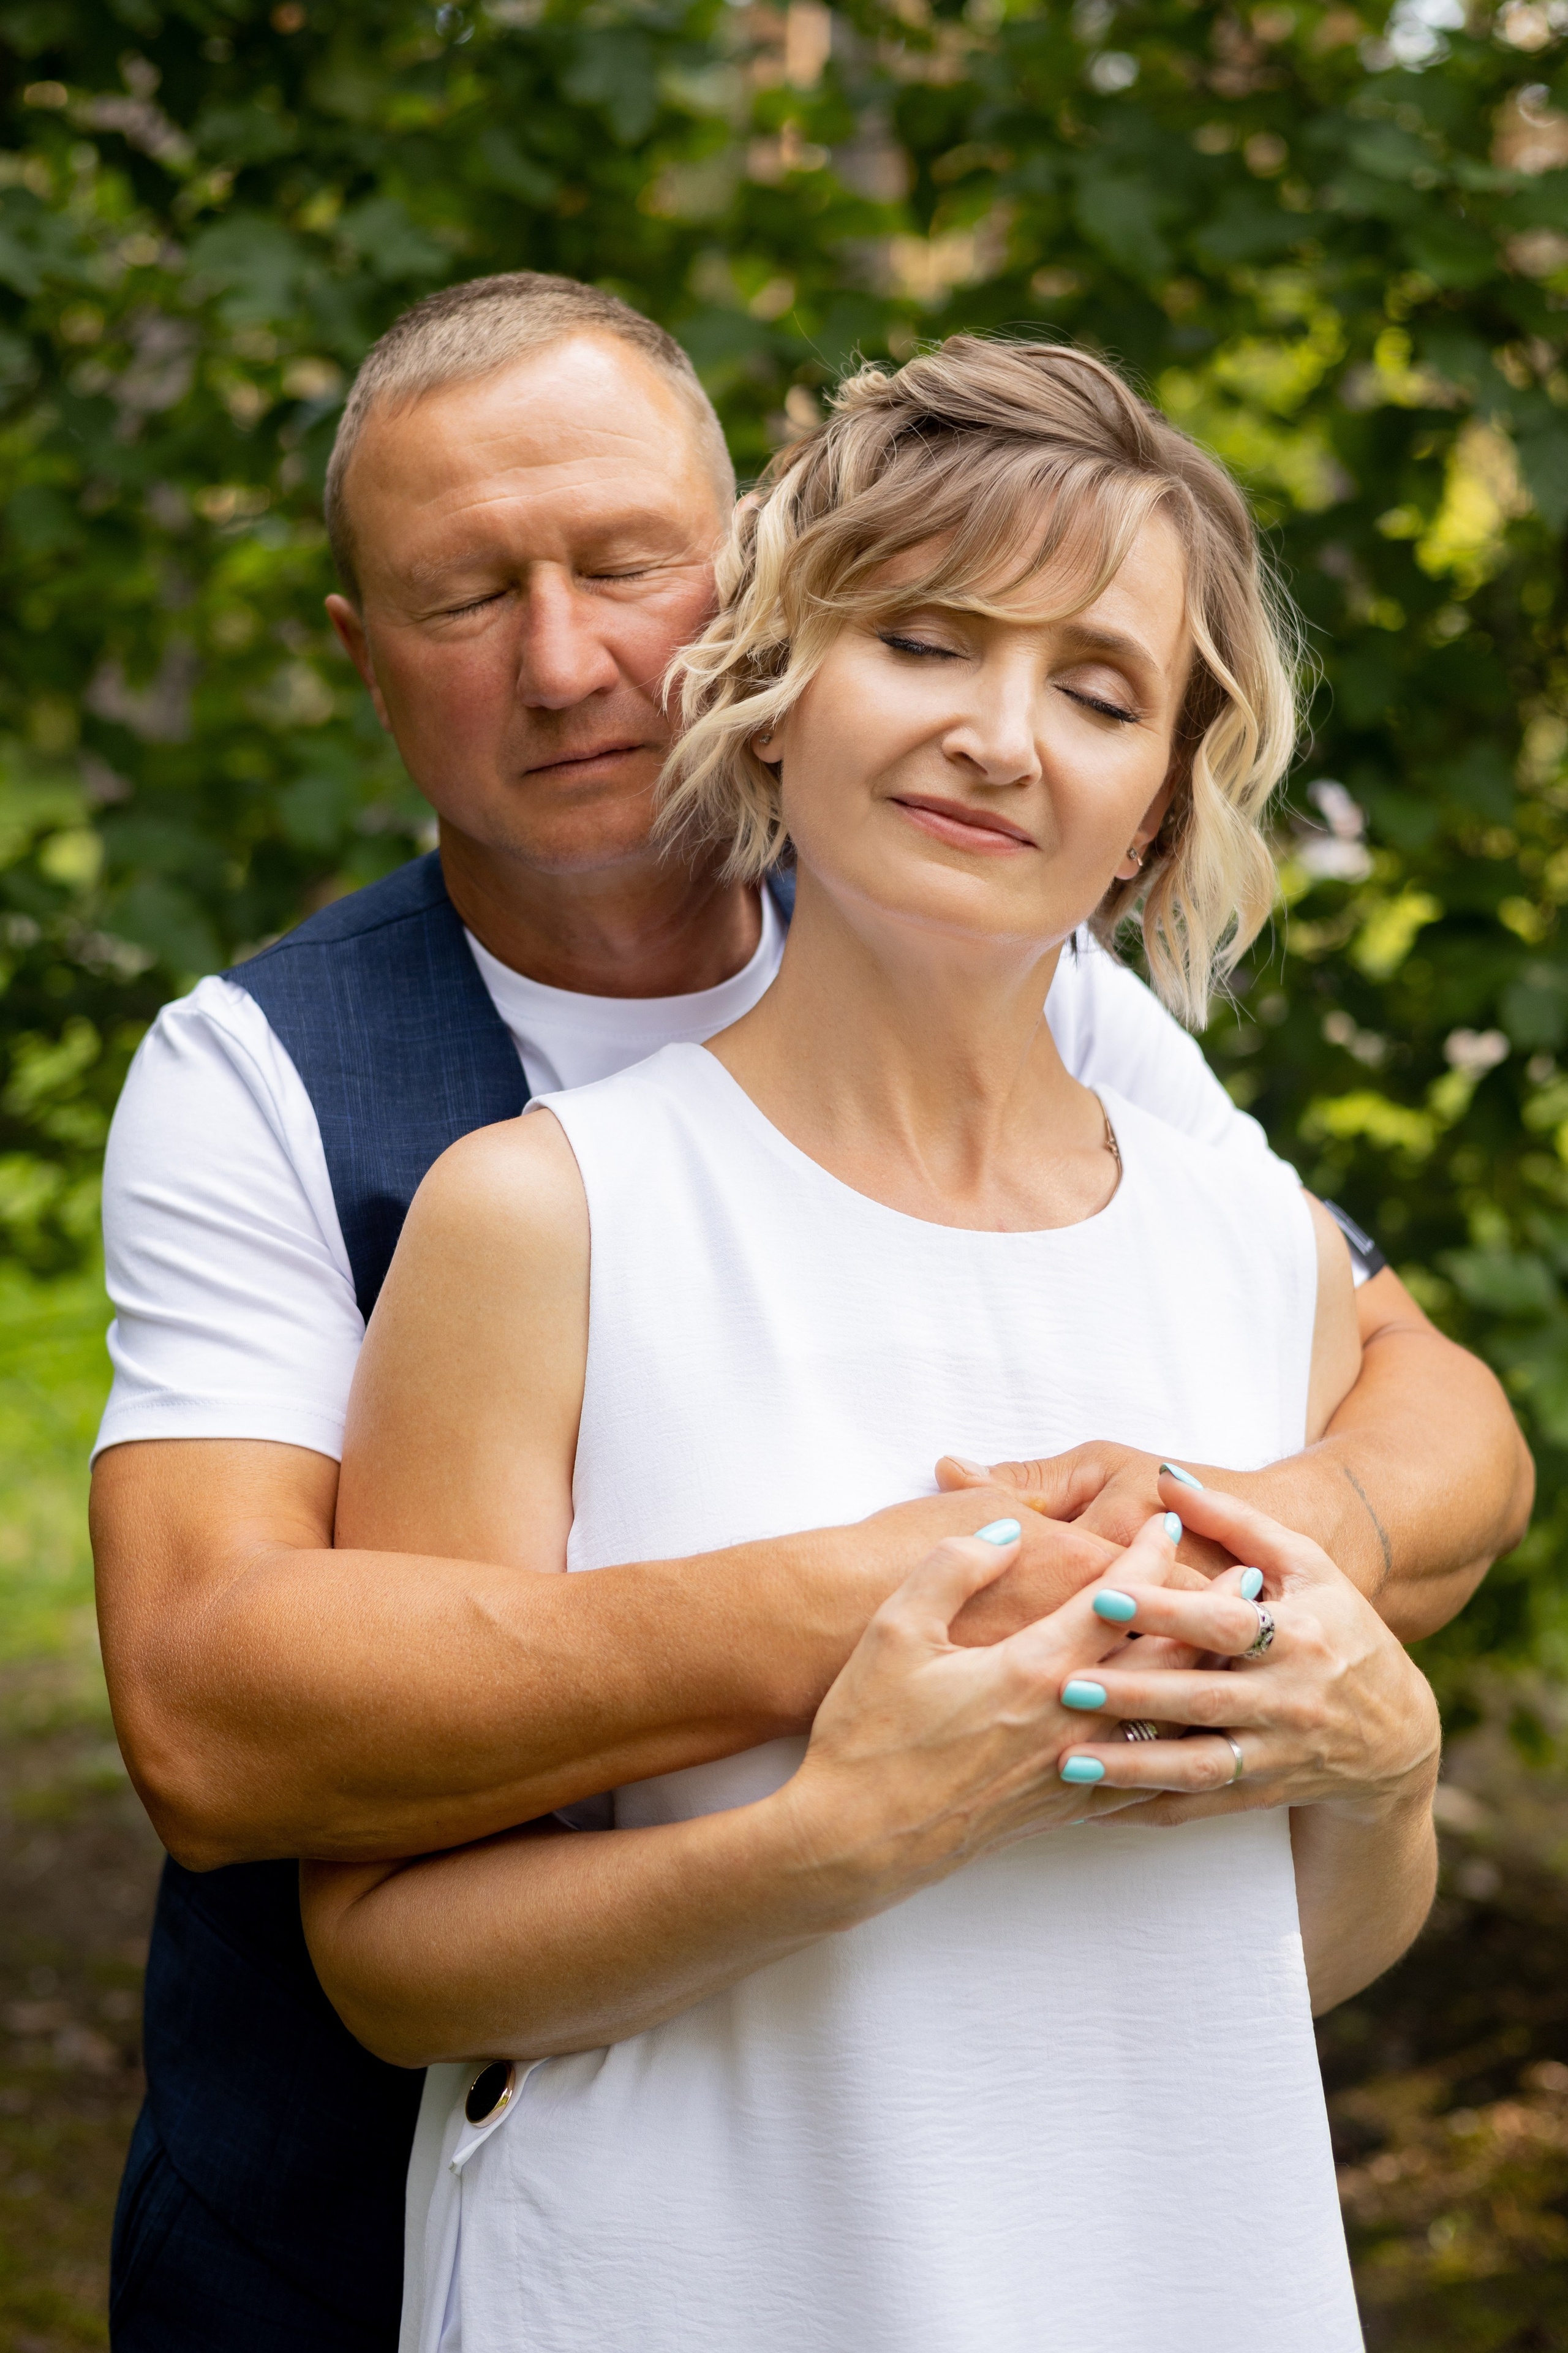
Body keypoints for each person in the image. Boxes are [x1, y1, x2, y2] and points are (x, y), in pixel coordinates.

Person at [89, 276, 1529, 2352]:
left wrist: (1263, 1598)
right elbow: (218, 1716)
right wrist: (911, 1612)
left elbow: (1431, 1435)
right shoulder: (329, 1111)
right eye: (464, 596)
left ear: (737, 579)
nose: (565, 661)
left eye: (622, 567)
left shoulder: (1106, 1059)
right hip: (426, 2211)